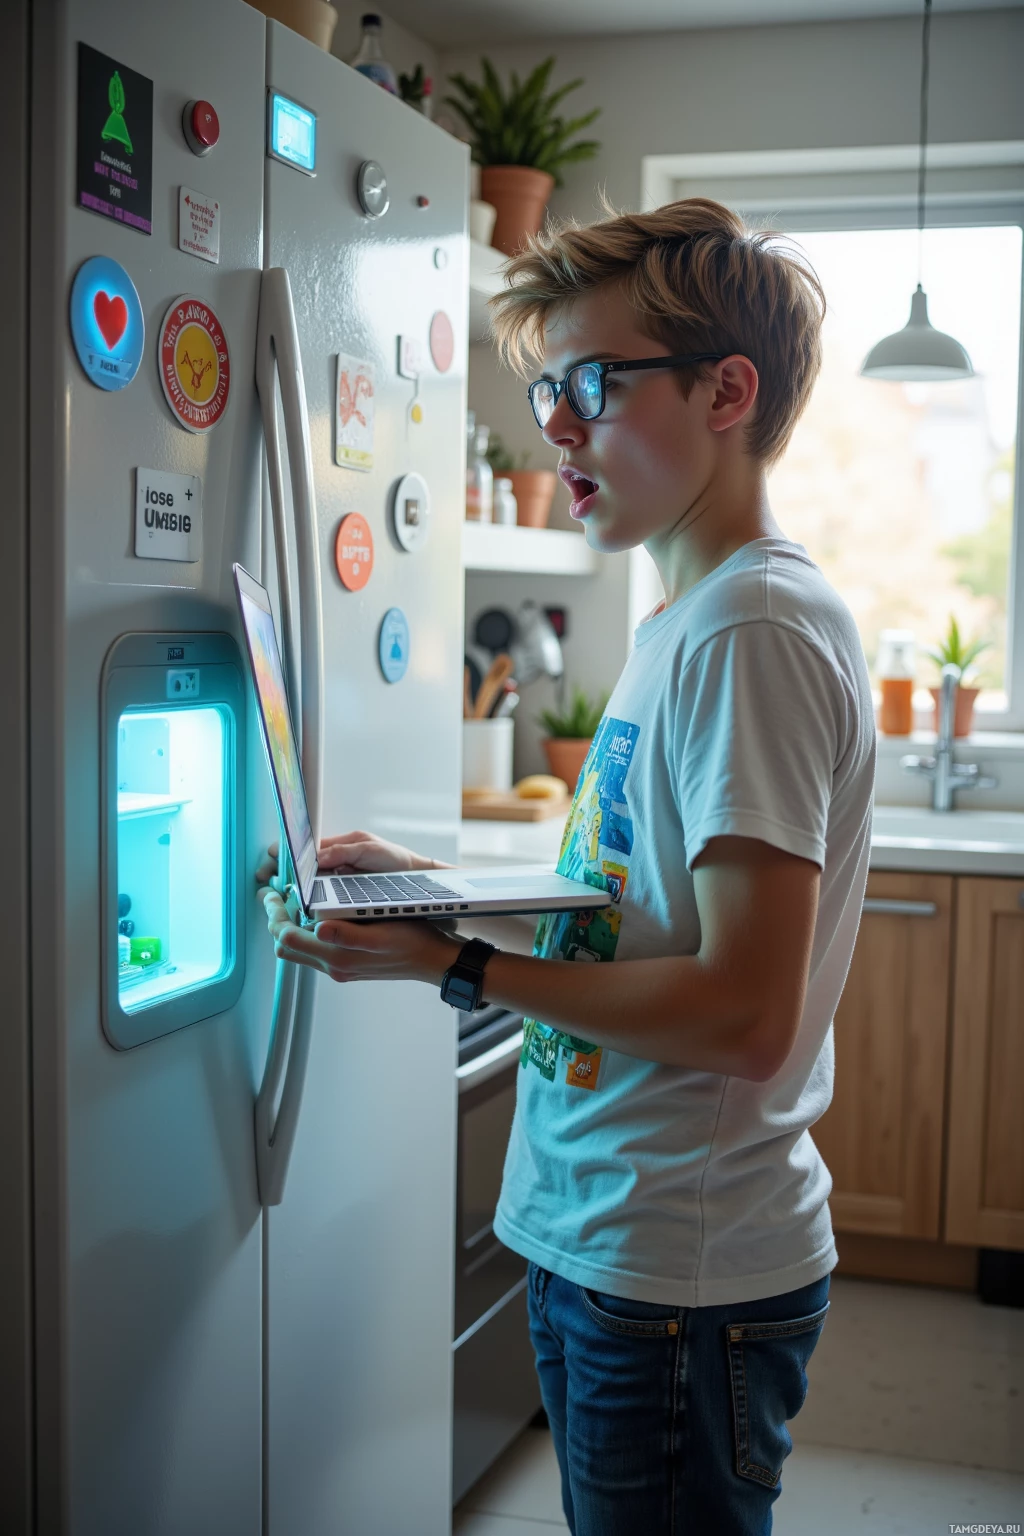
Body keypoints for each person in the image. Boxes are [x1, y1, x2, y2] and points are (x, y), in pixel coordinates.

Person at [259, 197, 875, 1535]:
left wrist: (463, 963)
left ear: (728, 392)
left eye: (591, 383)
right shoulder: (690, 618)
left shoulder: (746, 632)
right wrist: (442, 891)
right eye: (548, 390)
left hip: (673, 1264)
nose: (554, 426)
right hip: (613, 1236)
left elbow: (744, 1013)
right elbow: (639, 926)